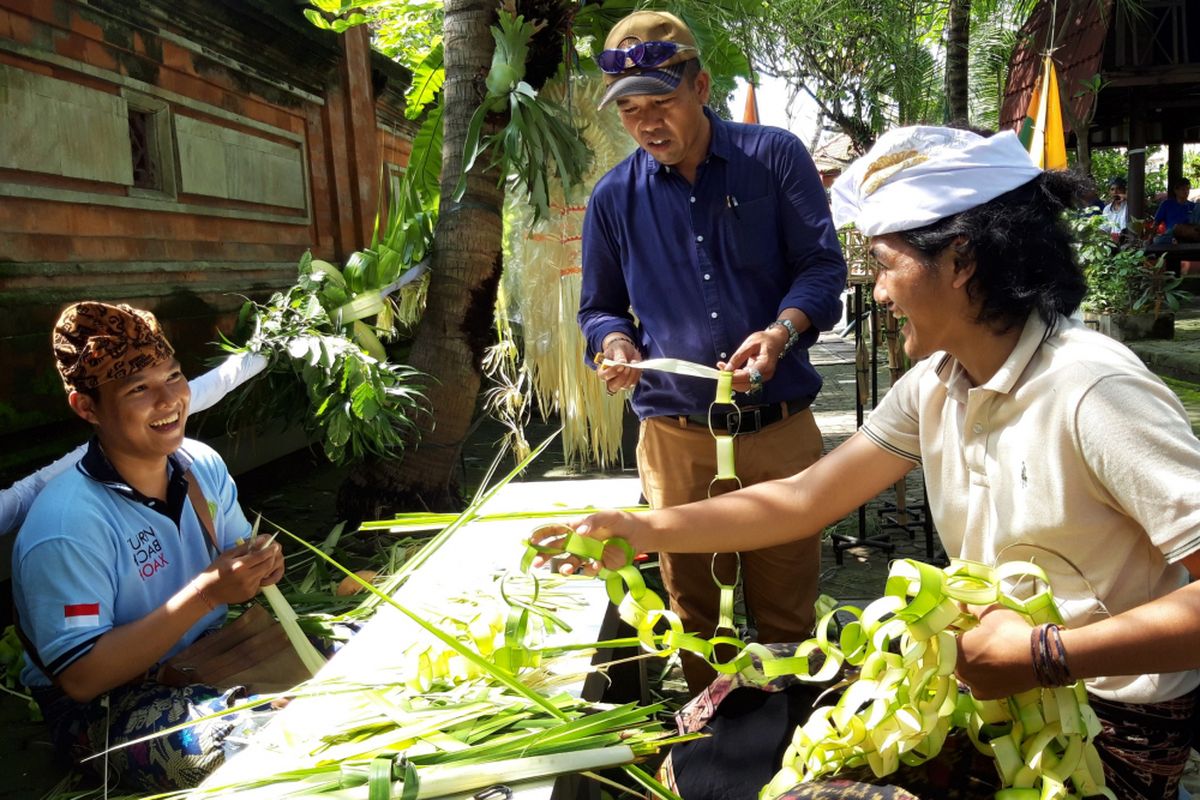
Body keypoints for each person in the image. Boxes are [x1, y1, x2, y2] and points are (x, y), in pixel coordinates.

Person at [550, 126, 1200, 800]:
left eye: (886, 264)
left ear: (961, 259)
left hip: (1100, 736)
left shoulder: (1093, 391)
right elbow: (804, 500)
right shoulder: (938, 384)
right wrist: (640, 530)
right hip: (980, 695)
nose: (878, 292)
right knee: (718, 751)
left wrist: (1045, 655)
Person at [577, 10, 848, 694]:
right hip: (677, 440)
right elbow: (601, 307)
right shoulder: (613, 199)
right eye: (631, 111)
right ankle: (709, 749)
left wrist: (781, 331)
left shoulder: (774, 157)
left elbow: (821, 267)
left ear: (700, 86)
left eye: (662, 102)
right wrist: (614, 343)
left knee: (787, 610)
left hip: (777, 430)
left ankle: (794, 751)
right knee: (694, 615)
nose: (647, 124)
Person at [12, 302, 285, 791]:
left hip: (202, 655)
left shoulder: (199, 465)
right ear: (86, 406)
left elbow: (238, 550)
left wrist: (261, 563)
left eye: (174, 376)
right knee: (253, 740)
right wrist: (207, 593)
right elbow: (82, 676)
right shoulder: (66, 524)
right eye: (139, 388)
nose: (170, 400)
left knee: (360, 651)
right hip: (105, 704)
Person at [1151, 177, 1197, 244]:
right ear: (1176, 191)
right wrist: (1150, 238)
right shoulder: (1167, 204)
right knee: (1157, 240)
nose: (1186, 191)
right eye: (1183, 189)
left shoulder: (1193, 206)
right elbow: (1156, 223)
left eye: (1187, 189)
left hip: (1188, 235)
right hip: (1170, 235)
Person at [1100, 175, 1128, 239]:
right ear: (1110, 192)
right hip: (1112, 242)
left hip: (1126, 241)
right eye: (1112, 189)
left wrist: (1126, 197)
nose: (1115, 192)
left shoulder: (1129, 205)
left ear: (1124, 191)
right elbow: (1104, 228)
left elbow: (1144, 202)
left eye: (1118, 189)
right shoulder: (1107, 209)